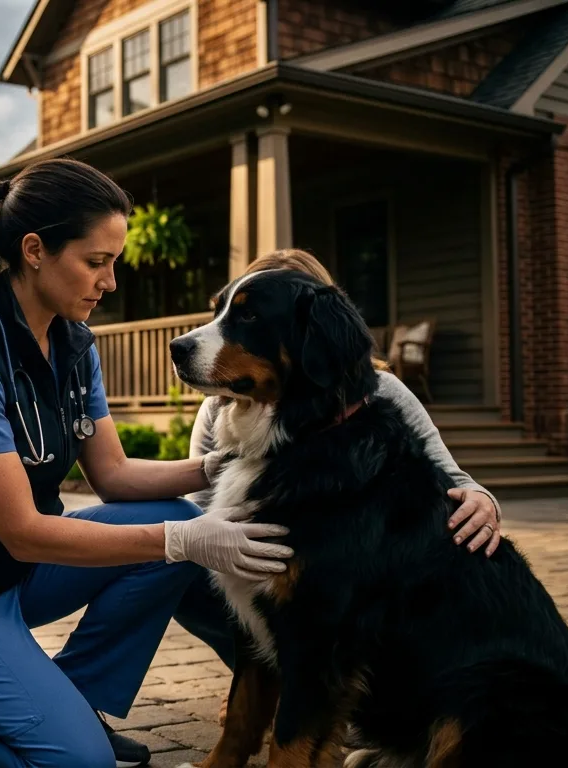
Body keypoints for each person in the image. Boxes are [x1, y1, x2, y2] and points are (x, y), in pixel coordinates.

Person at [0, 158, 291, 768]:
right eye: (96, 262)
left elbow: (114, 476)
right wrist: (182, 541)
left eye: (113, 262)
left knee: (176, 518)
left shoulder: (73, 343)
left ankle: (78, 701)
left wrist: (223, 467)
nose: (109, 282)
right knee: (81, 763)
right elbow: (23, 530)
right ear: (34, 251)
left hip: (12, 576)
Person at [173, 247, 504, 726]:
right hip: (247, 576)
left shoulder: (377, 392)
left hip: (360, 615)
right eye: (223, 311)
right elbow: (202, 509)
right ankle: (278, 687)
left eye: (249, 316)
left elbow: (447, 475)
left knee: (320, 611)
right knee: (183, 560)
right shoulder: (223, 402)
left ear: (313, 336)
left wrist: (482, 499)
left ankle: (318, 697)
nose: (205, 335)